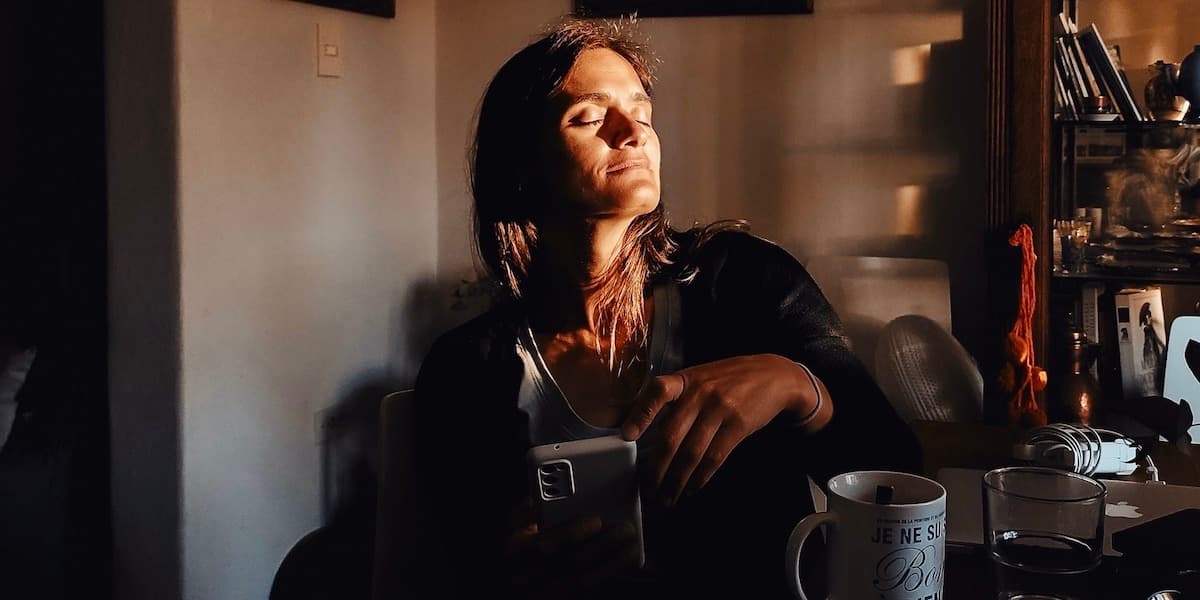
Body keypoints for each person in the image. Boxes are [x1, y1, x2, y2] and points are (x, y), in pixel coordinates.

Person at [411, 18, 921, 599]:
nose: (632, 132)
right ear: (521, 166)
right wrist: (516, 564)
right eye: (589, 117)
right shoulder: (465, 370)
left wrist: (801, 388)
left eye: (643, 112)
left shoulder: (746, 284)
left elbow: (901, 472)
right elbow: (450, 564)